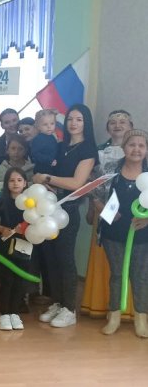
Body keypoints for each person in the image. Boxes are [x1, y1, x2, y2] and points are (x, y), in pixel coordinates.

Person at [33, 104, 98, 328]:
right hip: (48, 207)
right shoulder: (59, 146)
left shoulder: (88, 149)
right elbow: (42, 168)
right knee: (51, 258)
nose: (73, 123)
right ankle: (58, 302)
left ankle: (70, 309)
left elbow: (77, 183)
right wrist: (40, 179)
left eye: (79, 119)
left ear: (86, 123)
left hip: (68, 211)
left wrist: (47, 178)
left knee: (65, 258)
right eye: (70, 119)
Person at [82, 110, 134, 318]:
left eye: (122, 122)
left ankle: (130, 310)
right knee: (104, 258)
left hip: (131, 213)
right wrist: (93, 207)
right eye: (113, 122)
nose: (117, 125)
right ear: (107, 128)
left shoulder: (138, 150)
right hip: (103, 210)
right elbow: (91, 182)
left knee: (130, 259)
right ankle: (101, 305)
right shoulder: (98, 152)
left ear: (130, 126)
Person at [96, 129, 148, 336]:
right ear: (124, 147)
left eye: (141, 145)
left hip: (143, 234)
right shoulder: (110, 169)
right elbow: (95, 196)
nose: (136, 149)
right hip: (114, 232)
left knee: (141, 276)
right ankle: (114, 316)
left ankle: (141, 319)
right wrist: (107, 211)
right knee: (117, 274)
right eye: (131, 144)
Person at [0, 167, 32, 331]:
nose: (15, 183)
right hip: (5, 245)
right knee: (6, 279)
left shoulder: (31, 202)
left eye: (19, 180)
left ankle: (15, 312)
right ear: (6, 183)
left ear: (25, 183)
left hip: (25, 245)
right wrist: (2, 229)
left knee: (19, 280)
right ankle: (4, 313)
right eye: (11, 180)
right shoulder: (2, 200)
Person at [30, 109, 59, 174]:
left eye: (52, 123)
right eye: (45, 124)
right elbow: (35, 154)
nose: (49, 126)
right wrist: (49, 161)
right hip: (42, 169)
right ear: (38, 126)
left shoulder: (52, 137)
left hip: (53, 168)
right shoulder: (38, 139)